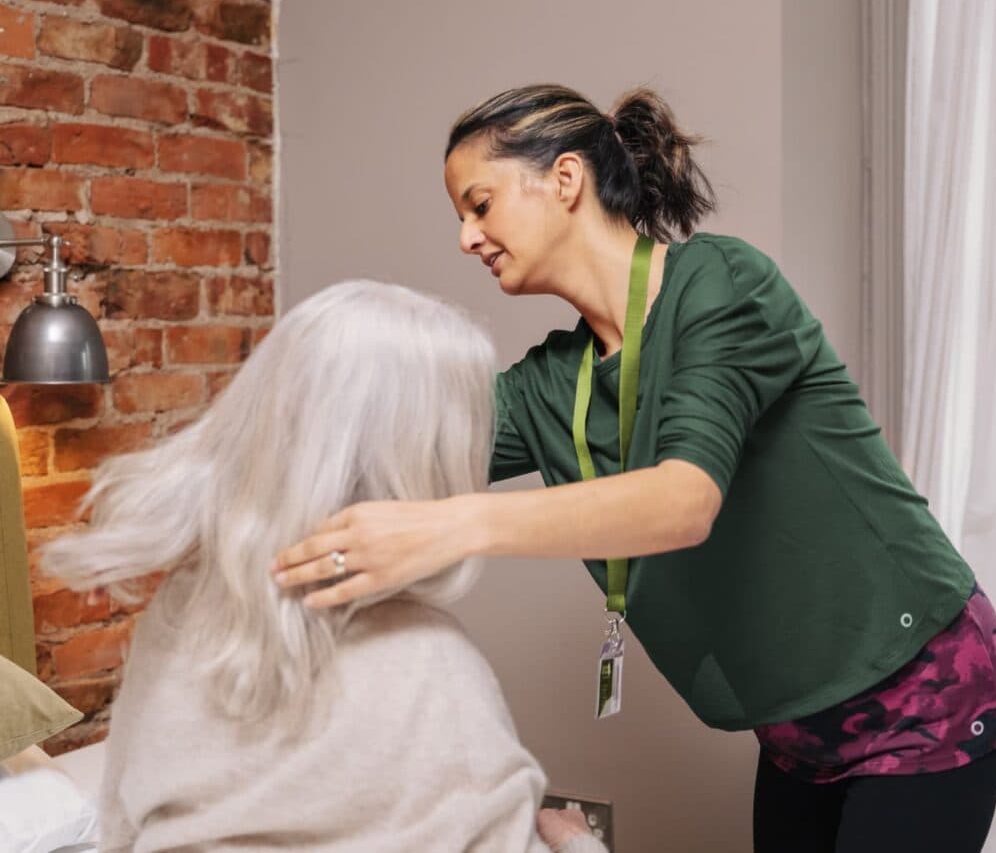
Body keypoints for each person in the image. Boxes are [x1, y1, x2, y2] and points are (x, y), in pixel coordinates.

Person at [273, 84, 996, 852]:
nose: (466, 238)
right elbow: (394, 448)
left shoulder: (721, 284)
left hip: (923, 695)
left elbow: (683, 501)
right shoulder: (555, 381)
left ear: (564, 180)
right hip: (794, 732)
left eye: (480, 205)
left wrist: (445, 530)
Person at [43, 281, 607, 853]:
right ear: (427, 456)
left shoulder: (182, 609)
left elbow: (120, 823)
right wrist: (577, 844)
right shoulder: (430, 664)